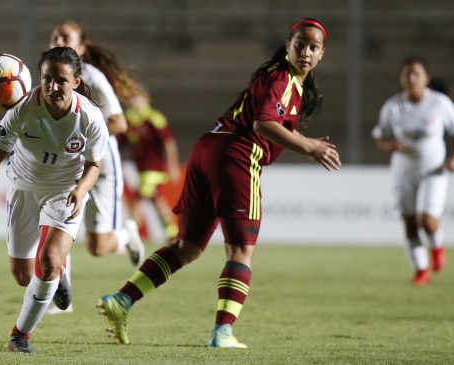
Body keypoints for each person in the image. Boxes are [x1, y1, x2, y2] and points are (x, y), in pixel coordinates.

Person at [98, 18, 340, 348]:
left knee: (187, 247)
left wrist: (304, 140)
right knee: (241, 250)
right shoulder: (283, 78)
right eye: (300, 45)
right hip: (236, 157)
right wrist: (309, 147)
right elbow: (263, 123)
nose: (306, 52)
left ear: (322, 53)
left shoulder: (283, 80)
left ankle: (121, 300)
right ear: (288, 46)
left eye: (313, 47)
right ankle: (222, 332)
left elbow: (268, 120)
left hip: (208, 149)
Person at [0, 47, 109, 353]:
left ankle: (19, 337)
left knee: (48, 263)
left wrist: (80, 191)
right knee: (23, 276)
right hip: (23, 189)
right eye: (46, 78)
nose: (52, 86)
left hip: (64, 192)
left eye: (61, 80)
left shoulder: (91, 118)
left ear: (76, 81)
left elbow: (95, 165)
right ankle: (59, 275)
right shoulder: (23, 109)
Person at [46, 20, 146, 313]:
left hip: (101, 165)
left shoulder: (92, 77)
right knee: (60, 221)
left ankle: (126, 234)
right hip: (67, 165)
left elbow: (119, 122)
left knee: (97, 247)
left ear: (81, 47)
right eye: (54, 37)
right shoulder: (48, 77)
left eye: (65, 37)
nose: (58, 41)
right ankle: (58, 295)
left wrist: (79, 136)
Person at [372, 58, 454, 285]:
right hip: (403, 171)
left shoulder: (440, 103)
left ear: (426, 78)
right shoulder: (393, 107)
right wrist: (390, 146)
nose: (411, 78)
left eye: (416, 73)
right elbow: (379, 136)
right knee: (409, 224)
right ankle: (421, 271)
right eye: (407, 74)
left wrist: (452, 159)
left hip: (433, 170)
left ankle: (437, 247)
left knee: (426, 220)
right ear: (401, 79)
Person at [122, 93, 181, 240]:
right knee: (157, 199)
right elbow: (119, 141)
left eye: (137, 98)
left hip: (154, 168)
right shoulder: (128, 119)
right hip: (141, 168)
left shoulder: (154, 118)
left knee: (138, 198)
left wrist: (172, 166)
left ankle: (130, 235)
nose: (134, 101)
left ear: (147, 100)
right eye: (131, 98)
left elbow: (168, 142)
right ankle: (173, 234)